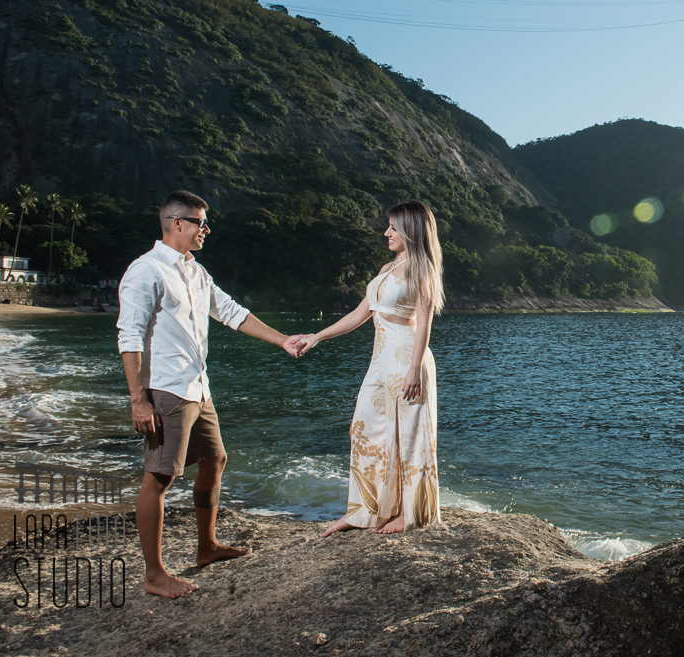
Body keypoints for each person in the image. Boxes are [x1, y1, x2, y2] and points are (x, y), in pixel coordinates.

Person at [117, 190, 299, 599]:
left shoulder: (195, 272)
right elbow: (128, 337)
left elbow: (231, 312)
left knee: (215, 459)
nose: (206, 229)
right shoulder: (145, 272)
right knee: (159, 478)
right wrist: (138, 399)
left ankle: (206, 547)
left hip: (198, 387)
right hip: (165, 389)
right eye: (200, 222)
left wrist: (282, 340)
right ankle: (154, 574)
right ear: (176, 223)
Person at [288, 200, 444, 536]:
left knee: (409, 438)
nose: (386, 232)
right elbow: (360, 315)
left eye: (393, 227)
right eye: (387, 226)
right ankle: (363, 511)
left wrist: (414, 369)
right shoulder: (387, 268)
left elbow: (424, 325)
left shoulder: (422, 269)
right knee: (362, 430)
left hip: (408, 361)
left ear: (411, 231)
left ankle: (409, 514)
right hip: (380, 363)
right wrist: (317, 337)